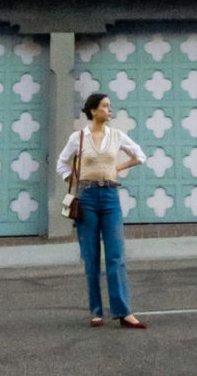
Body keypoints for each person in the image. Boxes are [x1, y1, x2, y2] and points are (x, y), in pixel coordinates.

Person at [57, 92, 148, 328]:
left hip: (110, 197)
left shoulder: (117, 136)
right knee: (91, 257)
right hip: (86, 198)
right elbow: (61, 163)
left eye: (109, 106)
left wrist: (117, 167)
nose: (109, 109)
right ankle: (96, 311)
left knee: (116, 256)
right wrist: (74, 179)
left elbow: (140, 156)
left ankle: (124, 312)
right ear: (93, 110)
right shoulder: (78, 137)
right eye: (105, 106)